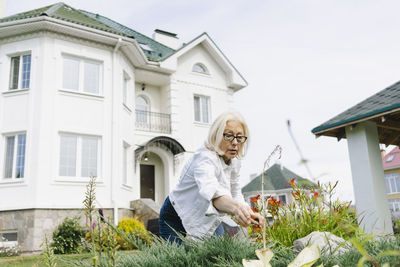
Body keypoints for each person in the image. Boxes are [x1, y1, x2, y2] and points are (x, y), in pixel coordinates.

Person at [159, 111, 265, 244]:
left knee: (215, 256)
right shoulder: (204, 158)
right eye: (229, 136)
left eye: (239, 137)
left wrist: (247, 211)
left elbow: (235, 191)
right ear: (216, 136)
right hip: (175, 214)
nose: (235, 142)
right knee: (175, 261)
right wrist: (237, 209)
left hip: (206, 216)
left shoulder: (235, 160)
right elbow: (213, 195)